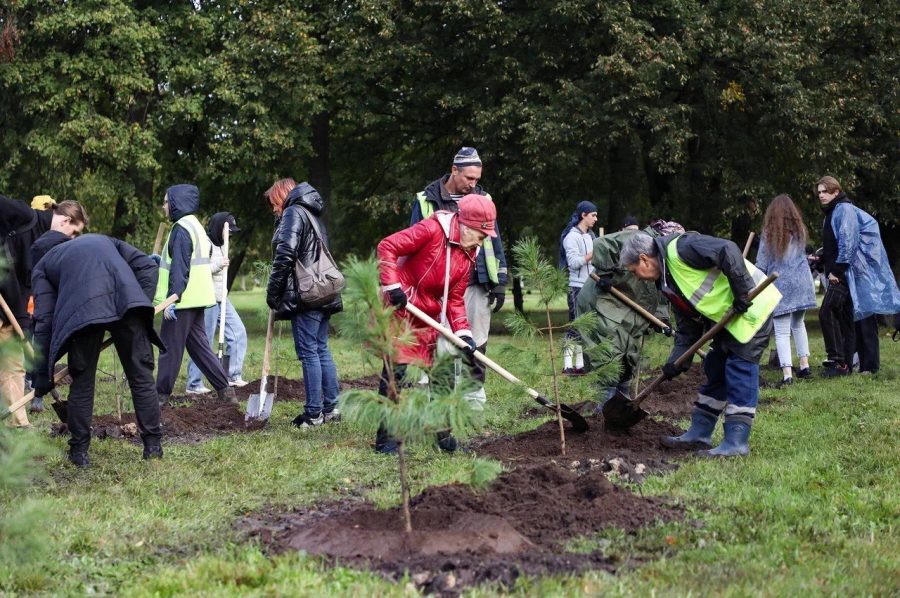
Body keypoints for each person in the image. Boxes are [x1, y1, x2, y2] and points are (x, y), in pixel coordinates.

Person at [619, 231, 781, 457]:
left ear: (644, 259)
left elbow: (728, 249)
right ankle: (699, 433)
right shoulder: (668, 281)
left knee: (739, 370)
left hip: (753, 305)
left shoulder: (682, 248)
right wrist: (675, 362)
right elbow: (688, 328)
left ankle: (736, 442)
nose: (636, 278)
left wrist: (742, 292)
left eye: (634, 272)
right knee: (716, 367)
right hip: (729, 318)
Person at [30, 232, 164, 467]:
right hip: (127, 304)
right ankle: (153, 447)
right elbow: (148, 266)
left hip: (83, 315)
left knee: (83, 381)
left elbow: (44, 322)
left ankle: (79, 453)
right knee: (141, 376)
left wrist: (42, 373)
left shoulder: (42, 266)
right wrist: (139, 303)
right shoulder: (103, 239)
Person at [375, 194, 493, 454]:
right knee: (400, 372)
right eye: (481, 235)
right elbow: (387, 246)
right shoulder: (432, 229)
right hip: (402, 307)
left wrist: (464, 333)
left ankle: (440, 435)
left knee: (442, 374)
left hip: (430, 314)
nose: (482, 242)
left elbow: (454, 297)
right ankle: (388, 438)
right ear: (466, 225)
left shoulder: (468, 253)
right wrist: (392, 286)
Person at [409, 147, 508, 402]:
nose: (473, 184)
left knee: (476, 337)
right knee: (434, 336)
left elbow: (494, 241)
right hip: (438, 283)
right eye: (469, 178)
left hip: (476, 280)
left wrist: (500, 281)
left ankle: (473, 393)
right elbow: (412, 242)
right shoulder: (426, 199)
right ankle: (432, 390)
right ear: (454, 170)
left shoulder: (484, 198)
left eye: (477, 178)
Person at [1, 195, 87, 427]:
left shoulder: (47, 247)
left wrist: (23, 321)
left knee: (14, 364)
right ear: (65, 221)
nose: (73, 239)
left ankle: (18, 423)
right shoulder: (26, 217)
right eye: (75, 232)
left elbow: (27, 284)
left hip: (10, 306)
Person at [576, 220, 683, 406]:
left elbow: (660, 289)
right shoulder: (639, 239)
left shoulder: (663, 258)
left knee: (628, 356)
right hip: (604, 302)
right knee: (608, 355)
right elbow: (603, 243)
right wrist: (605, 273)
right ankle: (602, 407)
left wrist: (661, 318)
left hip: (627, 307)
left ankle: (621, 404)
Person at [265, 179, 342, 428]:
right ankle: (331, 407)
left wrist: (273, 292)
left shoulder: (292, 213)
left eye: (273, 204)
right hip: (324, 290)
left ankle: (313, 414)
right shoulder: (313, 214)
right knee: (321, 349)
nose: (274, 210)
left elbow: (286, 253)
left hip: (306, 294)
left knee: (309, 352)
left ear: (281, 197)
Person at [154, 184, 236, 406]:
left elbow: (180, 267)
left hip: (181, 301)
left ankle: (159, 397)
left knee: (169, 349)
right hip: (198, 298)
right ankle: (226, 391)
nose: (164, 206)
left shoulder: (181, 228)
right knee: (200, 348)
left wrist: (172, 299)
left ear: (175, 203)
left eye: (165, 201)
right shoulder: (196, 226)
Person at [815, 176, 900, 376]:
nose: (821, 195)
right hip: (847, 272)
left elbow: (848, 242)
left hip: (854, 273)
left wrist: (836, 270)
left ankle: (867, 365)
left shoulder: (843, 210)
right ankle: (853, 362)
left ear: (836, 192)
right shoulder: (833, 212)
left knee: (862, 318)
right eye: (819, 192)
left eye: (825, 191)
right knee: (851, 317)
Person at [755, 194, 817, 387]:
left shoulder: (769, 233)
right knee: (799, 325)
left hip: (781, 284)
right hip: (802, 283)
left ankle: (787, 374)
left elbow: (762, 264)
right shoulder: (800, 231)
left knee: (781, 331)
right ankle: (805, 366)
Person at [185, 213, 248, 393]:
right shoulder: (205, 244)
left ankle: (232, 375)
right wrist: (218, 265)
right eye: (228, 232)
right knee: (202, 341)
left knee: (238, 332)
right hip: (207, 299)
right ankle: (194, 384)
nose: (230, 236)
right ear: (219, 228)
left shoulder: (223, 245)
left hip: (222, 299)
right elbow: (197, 270)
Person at [559, 200, 598, 375]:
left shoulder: (591, 236)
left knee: (586, 327)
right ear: (583, 215)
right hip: (576, 288)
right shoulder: (570, 237)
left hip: (591, 287)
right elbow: (574, 263)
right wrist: (593, 254)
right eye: (593, 215)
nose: (596, 219)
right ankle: (567, 365)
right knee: (575, 326)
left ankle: (581, 366)